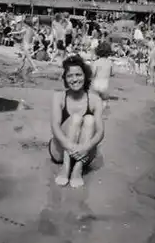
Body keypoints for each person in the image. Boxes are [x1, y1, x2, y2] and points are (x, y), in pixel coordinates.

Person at [49, 55, 104, 188]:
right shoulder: (59, 97)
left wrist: (86, 147)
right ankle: (66, 167)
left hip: (84, 153)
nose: (74, 79)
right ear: (65, 79)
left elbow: (101, 132)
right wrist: (70, 146)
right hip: (60, 151)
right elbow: (55, 126)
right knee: (76, 117)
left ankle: (77, 170)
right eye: (70, 76)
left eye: (78, 75)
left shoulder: (95, 100)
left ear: (85, 76)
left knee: (90, 120)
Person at [91, 41, 114, 107]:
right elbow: (112, 73)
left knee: (95, 101)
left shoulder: (97, 62)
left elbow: (93, 74)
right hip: (105, 85)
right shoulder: (110, 63)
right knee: (104, 101)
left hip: (96, 84)